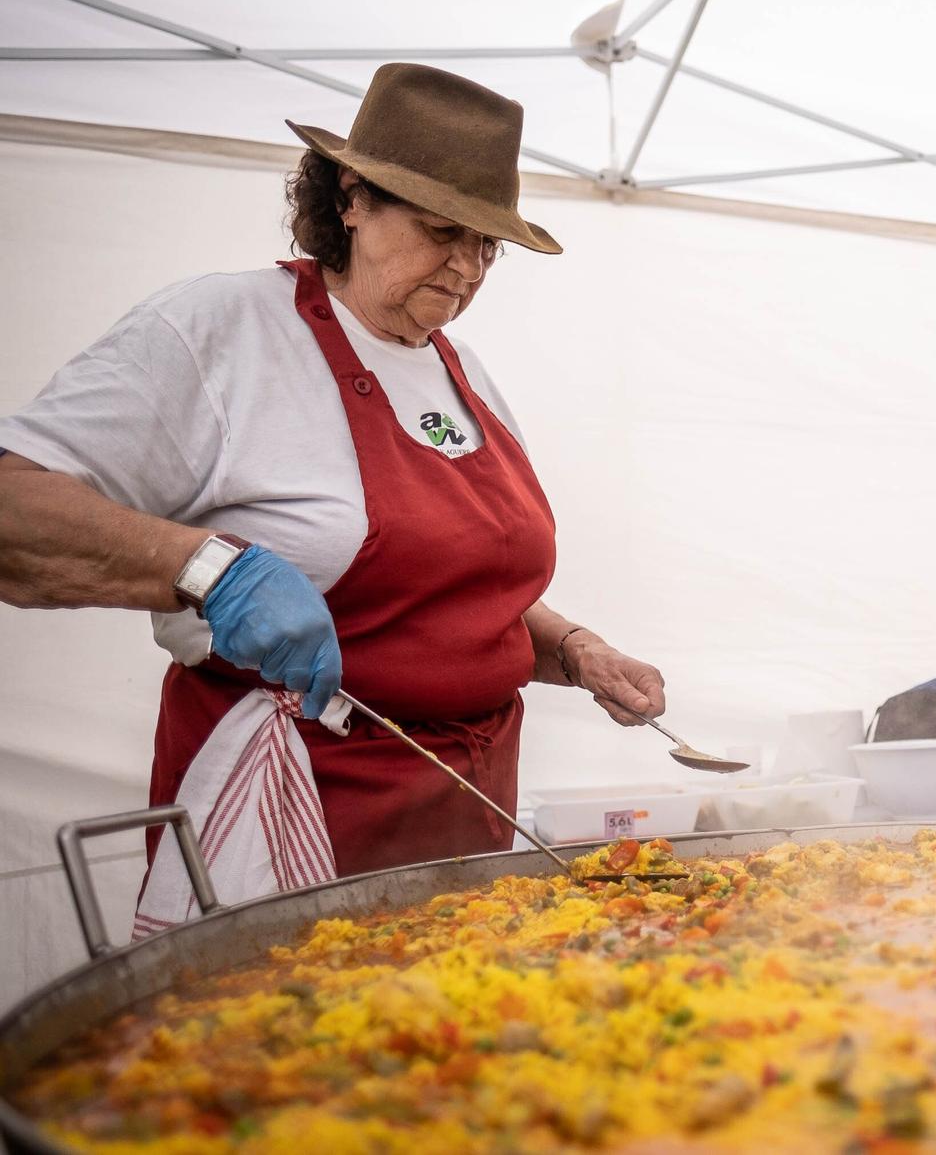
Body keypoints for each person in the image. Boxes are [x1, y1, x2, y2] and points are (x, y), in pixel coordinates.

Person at [0, 64, 670, 916]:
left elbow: (441, 586)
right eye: (441, 230)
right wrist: (209, 570)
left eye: (487, 245)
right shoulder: (222, 331)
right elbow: (12, 507)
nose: (466, 267)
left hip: (465, 826)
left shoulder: (461, 373)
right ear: (353, 197)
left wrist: (573, 647)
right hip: (290, 821)